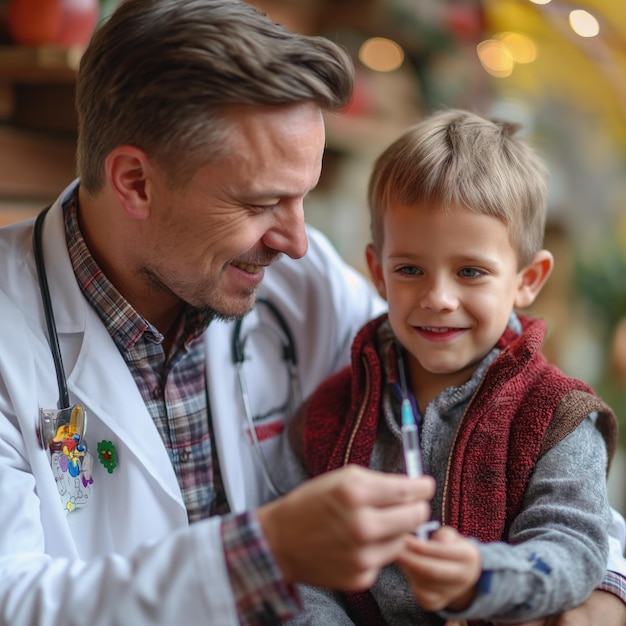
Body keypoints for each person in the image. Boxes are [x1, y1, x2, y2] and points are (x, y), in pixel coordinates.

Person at [0, 2, 621, 625]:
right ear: (135, 182)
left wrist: (603, 594)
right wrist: (266, 554)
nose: (297, 241)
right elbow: (16, 603)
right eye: (263, 201)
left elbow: (501, 416)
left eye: (304, 197)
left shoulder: (293, 277)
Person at [286, 110, 625, 625]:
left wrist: (481, 579)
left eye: (470, 271)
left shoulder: (558, 417)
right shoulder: (330, 413)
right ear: (378, 272)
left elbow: (576, 548)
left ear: (528, 279)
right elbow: (301, 567)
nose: (439, 297)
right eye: (410, 270)